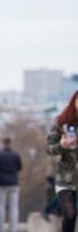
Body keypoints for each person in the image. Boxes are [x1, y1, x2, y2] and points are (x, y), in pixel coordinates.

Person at [47, 88, 78, 232]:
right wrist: (62, 145)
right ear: (74, 102)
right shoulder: (62, 122)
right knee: (70, 215)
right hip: (66, 179)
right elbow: (49, 148)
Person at [0, 137, 22, 232]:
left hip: (1, 183)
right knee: (14, 207)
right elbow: (19, 168)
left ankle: (0, 229)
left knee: (0, 207)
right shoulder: (16, 155)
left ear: (3, 143)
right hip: (13, 183)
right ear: (10, 143)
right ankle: (13, 229)